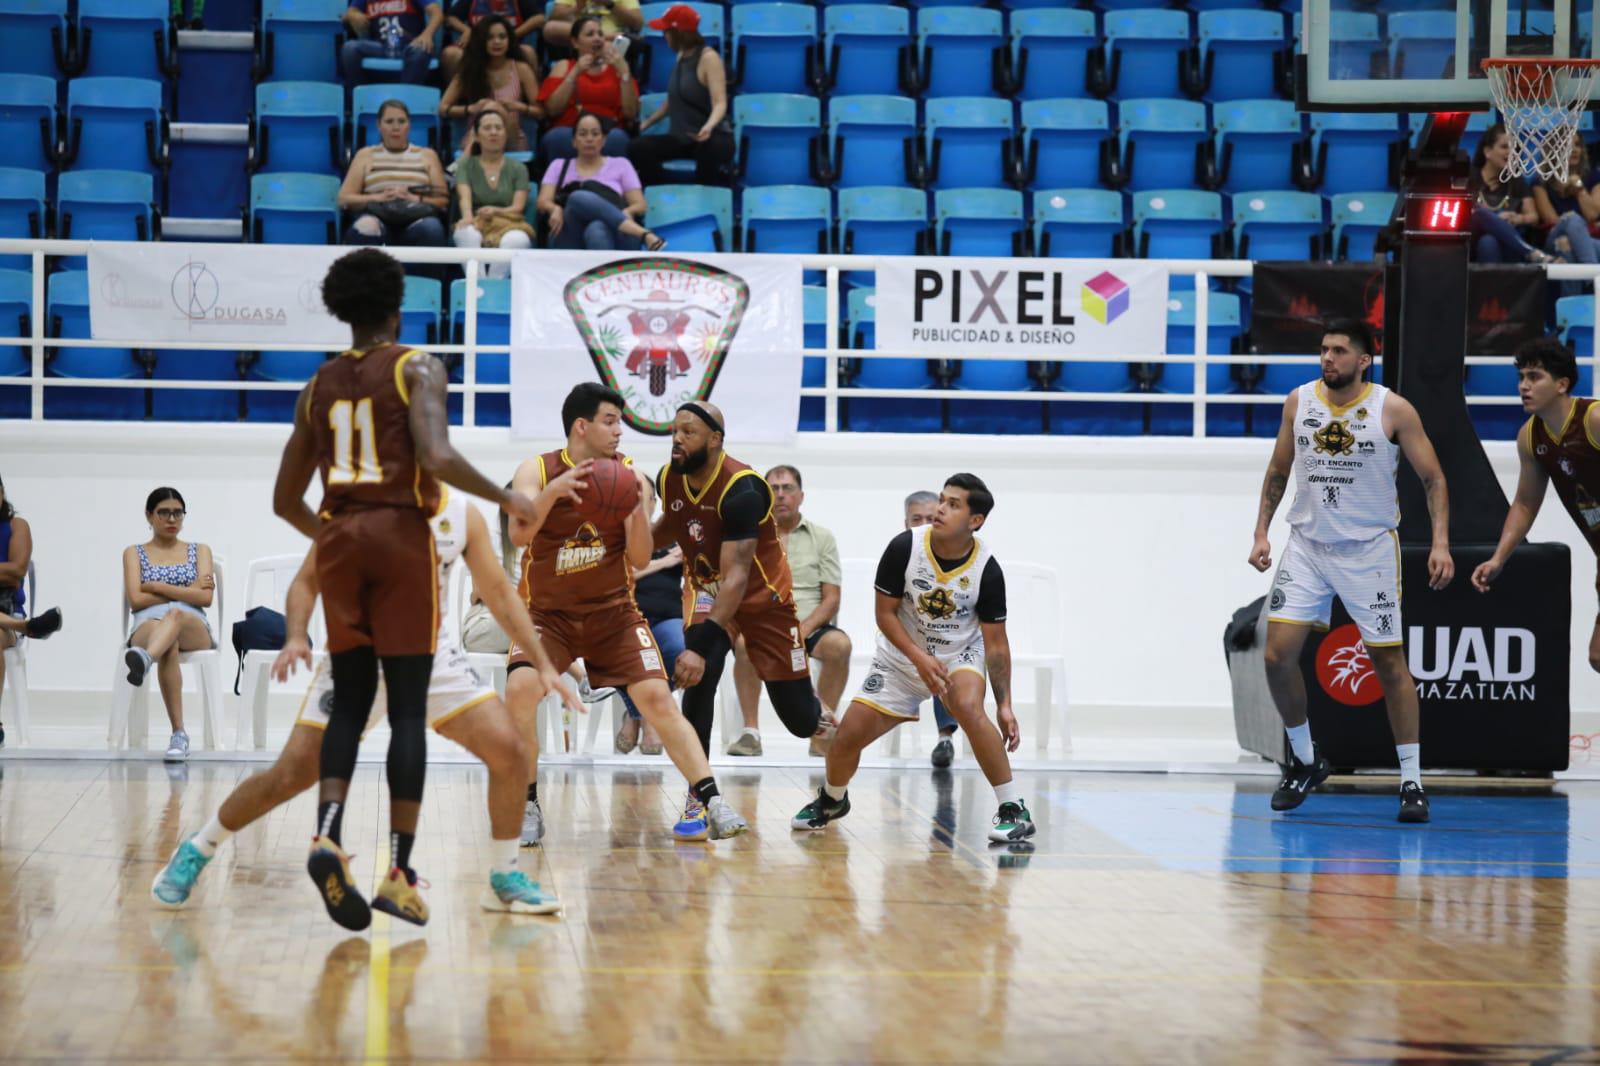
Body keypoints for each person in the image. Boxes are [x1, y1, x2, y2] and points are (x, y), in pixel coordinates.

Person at [271, 247, 540, 930]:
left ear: (342, 310)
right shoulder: (417, 366)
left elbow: (283, 500)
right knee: (409, 713)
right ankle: (398, 870)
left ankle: (327, 834)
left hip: (341, 543)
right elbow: (437, 456)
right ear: (396, 307)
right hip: (400, 539)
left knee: (350, 702)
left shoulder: (316, 385)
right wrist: (507, 495)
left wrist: (335, 535)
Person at [151, 489, 578, 916]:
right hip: (358, 658)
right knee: (290, 774)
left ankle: (503, 878)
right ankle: (197, 848)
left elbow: (500, 594)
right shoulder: (355, 507)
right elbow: (306, 581)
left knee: (511, 750)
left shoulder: (461, 514)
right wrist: (296, 635)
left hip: (432, 659)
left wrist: (541, 661)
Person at [508, 383, 748, 842]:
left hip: (613, 614)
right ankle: (527, 804)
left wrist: (635, 509)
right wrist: (555, 491)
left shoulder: (630, 475)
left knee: (657, 699)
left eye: (620, 422)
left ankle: (712, 799)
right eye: (611, 421)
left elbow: (639, 557)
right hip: (547, 617)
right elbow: (519, 534)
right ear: (582, 426)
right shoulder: (536, 469)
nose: (621, 431)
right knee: (520, 691)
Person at [1247, 318, 1454, 824]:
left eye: (1339, 351)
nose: (1328, 358)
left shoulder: (1393, 409)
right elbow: (1278, 471)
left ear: (1363, 360)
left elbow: (1433, 478)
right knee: (1276, 656)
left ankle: (1411, 781)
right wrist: (1261, 532)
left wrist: (1441, 543)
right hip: (1307, 548)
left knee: (1388, 665)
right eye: (1324, 349)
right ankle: (1304, 759)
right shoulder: (1299, 401)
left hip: (1368, 551)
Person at [790, 474, 1033, 844]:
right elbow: (884, 615)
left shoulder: (987, 569)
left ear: (975, 520)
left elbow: (996, 646)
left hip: (958, 656)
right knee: (845, 739)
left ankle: (1013, 808)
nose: (940, 509)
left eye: (953, 505)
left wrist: (1005, 705)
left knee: (969, 707)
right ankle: (833, 799)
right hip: (900, 659)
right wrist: (919, 659)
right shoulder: (905, 547)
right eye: (942, 499)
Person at [653, 402, 823, 782]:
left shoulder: (743, 488)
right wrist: (623, 548)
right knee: (700, 676)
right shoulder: (669, 476)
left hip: (762, 599)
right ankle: (699, 791)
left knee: (799, 721)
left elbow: (737, 578)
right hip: (709, 589)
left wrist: (697, 648)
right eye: (675, 431)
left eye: (688, 432)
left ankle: (819, 712)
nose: (677, 439)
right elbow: (672, 523)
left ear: (715, 439)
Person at [1473, 338, 1600, 676]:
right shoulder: (1530, 438)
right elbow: (1526, 504)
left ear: (1562, 384)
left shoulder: (1594, 419)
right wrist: (1499, 558)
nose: (1523, 386)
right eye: (1521, 377)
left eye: (1534, 377)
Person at [729, 465, 848, 758]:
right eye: (773, 489)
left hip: (809, 626)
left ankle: (820, 735)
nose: (781, 495)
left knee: (840, 646)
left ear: (801, 496)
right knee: (743, 645)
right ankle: (750, 733)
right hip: (763, 627)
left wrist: (800, 632)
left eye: (788, 488)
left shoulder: (822, 537)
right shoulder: (750, 535)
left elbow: (831, 599)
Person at [122, 488, 216, 763]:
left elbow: (205, 598)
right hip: (148, 623)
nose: (172, 519)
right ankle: (179, 735)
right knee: (168, 642)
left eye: (178, 513)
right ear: (149, 515)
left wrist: (157, 586)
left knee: (175, 615)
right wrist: (188, 588)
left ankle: (145, 659)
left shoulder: (200, 550)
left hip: (192, 624)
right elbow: (136, 599)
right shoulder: (134, 553)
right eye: (164, 512)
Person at [628, 5, 732, 188]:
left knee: (711, 151)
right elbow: (673, 99)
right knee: (637, 148)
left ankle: (705, 198)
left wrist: (708, 127)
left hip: (710, 138)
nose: (663, 36)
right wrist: (647, 123)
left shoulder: (709, 58)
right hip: (682, 137)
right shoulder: (681, 56)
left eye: (666, 31)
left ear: (678, 33)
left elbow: (720, 103)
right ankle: (659, 194)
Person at [536, 113, 664, 251]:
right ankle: (644, 234)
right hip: (570, 233)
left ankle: (628, 235)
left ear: (603, 140)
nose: (589, 139)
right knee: (576, 197)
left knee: (596, 229)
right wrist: (554, 208)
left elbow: (640, 205)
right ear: (574, 141)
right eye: (583, 134)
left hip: (615, 234)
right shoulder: (558, 165)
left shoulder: (621, 164)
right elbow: (542, 202)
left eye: (595, 134)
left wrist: (627, 211)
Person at [0, 474, 62, 749]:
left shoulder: (16, 526)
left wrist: (9, 574)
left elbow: (16, 571)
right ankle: (27, 627)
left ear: (2, 493)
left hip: (5, 610)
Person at [338, 100, 451, 249]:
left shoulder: (427, 155)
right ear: (379, 125)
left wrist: (415, 198)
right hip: (377, 215)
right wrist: (378, 197)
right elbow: (344, 198)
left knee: (432, 230)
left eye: (401, 121)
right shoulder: (365, 155)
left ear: (409, 125)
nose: (396, 127)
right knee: (365, 228)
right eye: (389, 122)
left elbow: (443, 200)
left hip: (417, 217)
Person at [904, 489, 962, 769]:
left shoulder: (959, 557)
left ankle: (945, 739)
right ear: (905, 524)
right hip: (905, 641)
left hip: (944, 641)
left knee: (947, 659)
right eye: (916, 519)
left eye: (930, 518)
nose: (924, 525)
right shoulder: (898, 554)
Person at [615, 543, 683, 755]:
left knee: (680, 649)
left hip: (668, 616)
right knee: (620, 649)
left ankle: (637, 713)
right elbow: (619, 576)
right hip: (626, 618)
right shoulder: (620, 537)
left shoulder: (676, 537)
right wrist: (664, 562)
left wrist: (688, 552)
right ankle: (647, 717)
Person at [537, 15, 636, 160]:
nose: (597, 38)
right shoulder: (564, 66)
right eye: (590, 34)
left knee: (617, 138)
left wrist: (625, 73)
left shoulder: (617, 69)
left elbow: (630, 114)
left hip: (608, 132)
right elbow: (552, 110)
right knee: (556, 138)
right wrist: (575, 72)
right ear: (575, 42)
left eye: (600, 34)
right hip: (570, 130)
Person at [439, 15, 542, 154]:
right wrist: (470, 109)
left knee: (493, 107)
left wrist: (517, 106)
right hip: (477, 138)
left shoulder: (521, 69)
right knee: (489, 110)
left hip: (512, 138)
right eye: (490, 38)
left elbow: (541, 112)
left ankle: (465, 161)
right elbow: (443, 108)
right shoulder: (470, 70)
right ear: (481, 40)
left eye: (502, 37)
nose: (497, 42)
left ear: (509, 40)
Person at [450, 110, 535, 275]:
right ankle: (478, 284)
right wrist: (467, 217)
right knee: (466, 233)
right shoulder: (465, 165)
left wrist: (496, 211)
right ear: (477, 136)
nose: (493, 132)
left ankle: (493, 284)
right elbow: (464, 198)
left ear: (505, 134)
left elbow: (518, 207)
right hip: (476, 220)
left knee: (517, 239)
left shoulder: (519, 168)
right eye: (487, 128)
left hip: (509, 222)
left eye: (498, 128)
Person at [1469, 123, 1555, 265]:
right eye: (1504, 147)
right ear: (1487, 151)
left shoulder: (1516, 181)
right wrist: (1495, 218)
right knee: (1480, 214)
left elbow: (1533, 216)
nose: (1510, 152)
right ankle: (1531, 252)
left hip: (1508, 245)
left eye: (1514, 148)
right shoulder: (1469, 177)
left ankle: (1527, 253)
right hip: (1472, 244)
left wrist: (1518, 218)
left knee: (1489, 242)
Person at [341, 0, 445, 86]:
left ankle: (405, 98)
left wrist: (427, 34)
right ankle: (361, 98)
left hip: (410, 45)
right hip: (379, 46)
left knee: (420, 50)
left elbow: (437, 13)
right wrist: (352, 15)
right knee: (350, 48)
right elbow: (347, 15)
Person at [442, 0, 542, 86]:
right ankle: (457, 97)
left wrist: (513, 34)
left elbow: (539, 18)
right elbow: (450, 17)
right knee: (451, 54)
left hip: (509, 49)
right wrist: (466, 30)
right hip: (477, 47)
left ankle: (530, 97)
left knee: (528, 52)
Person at [1533, 141, 1600, 268]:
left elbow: (1593, 215)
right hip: (1553, 239)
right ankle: (1593, 274)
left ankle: (1589, 276)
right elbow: (1552, 220)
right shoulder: (1541, 182)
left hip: (1586, 240)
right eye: (1566, 145)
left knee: (1565, 244)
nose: (1574, 149)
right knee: (1572, 218)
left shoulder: (1594, 177)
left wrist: (1579, 188)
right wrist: (1579, 231)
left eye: (1577, 145)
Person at [544, 0, 642, 50]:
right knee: (550, 28)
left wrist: (609, 4)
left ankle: (597, 38)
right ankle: (604, 37)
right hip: (579, 36)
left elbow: (638, 23)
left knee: (608, 46)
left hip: (609, 42)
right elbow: (554, 17)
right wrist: (578, 8)